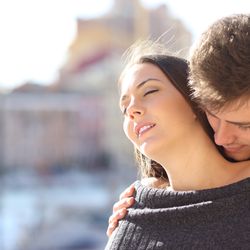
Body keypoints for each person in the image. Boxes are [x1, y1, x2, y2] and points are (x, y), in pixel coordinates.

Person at [107, 13, 250, 237]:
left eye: (150, 91)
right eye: (124, 109)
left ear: (193, 100)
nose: (132, 110)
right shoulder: (134, 209)